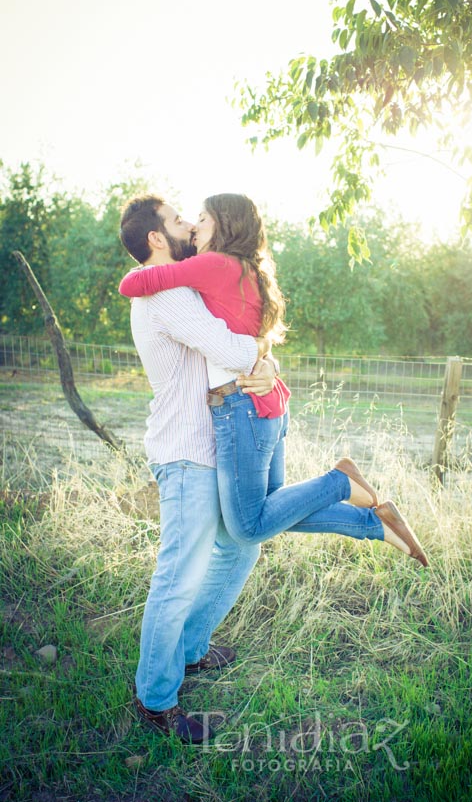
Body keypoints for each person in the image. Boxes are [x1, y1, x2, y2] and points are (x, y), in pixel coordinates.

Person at [119, 193, 428, 560]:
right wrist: (267, 358)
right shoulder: (247, 270)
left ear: (222, 225)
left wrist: (136, 272)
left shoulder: (210, 266)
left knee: (249, 526)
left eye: (200, 218)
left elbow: (132, 287)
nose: (192, 225)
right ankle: (375, 524)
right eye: (183, 220)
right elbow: (251, 339)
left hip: (241, 407)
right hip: (264, 404)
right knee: (277, 510)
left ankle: (339, 483)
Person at [120, 194, 277, 745]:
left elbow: (233, 340)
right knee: (179, 573)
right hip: (185, 450)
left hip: (211, 444)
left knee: (241, 544)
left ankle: (190, 647)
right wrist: (260, 355)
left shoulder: (181, 283)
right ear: (158, 238)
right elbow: (228, 348)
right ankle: (155, 699)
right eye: (178, 220)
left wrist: (260, 356)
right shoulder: (164, 288)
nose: (189, 224)